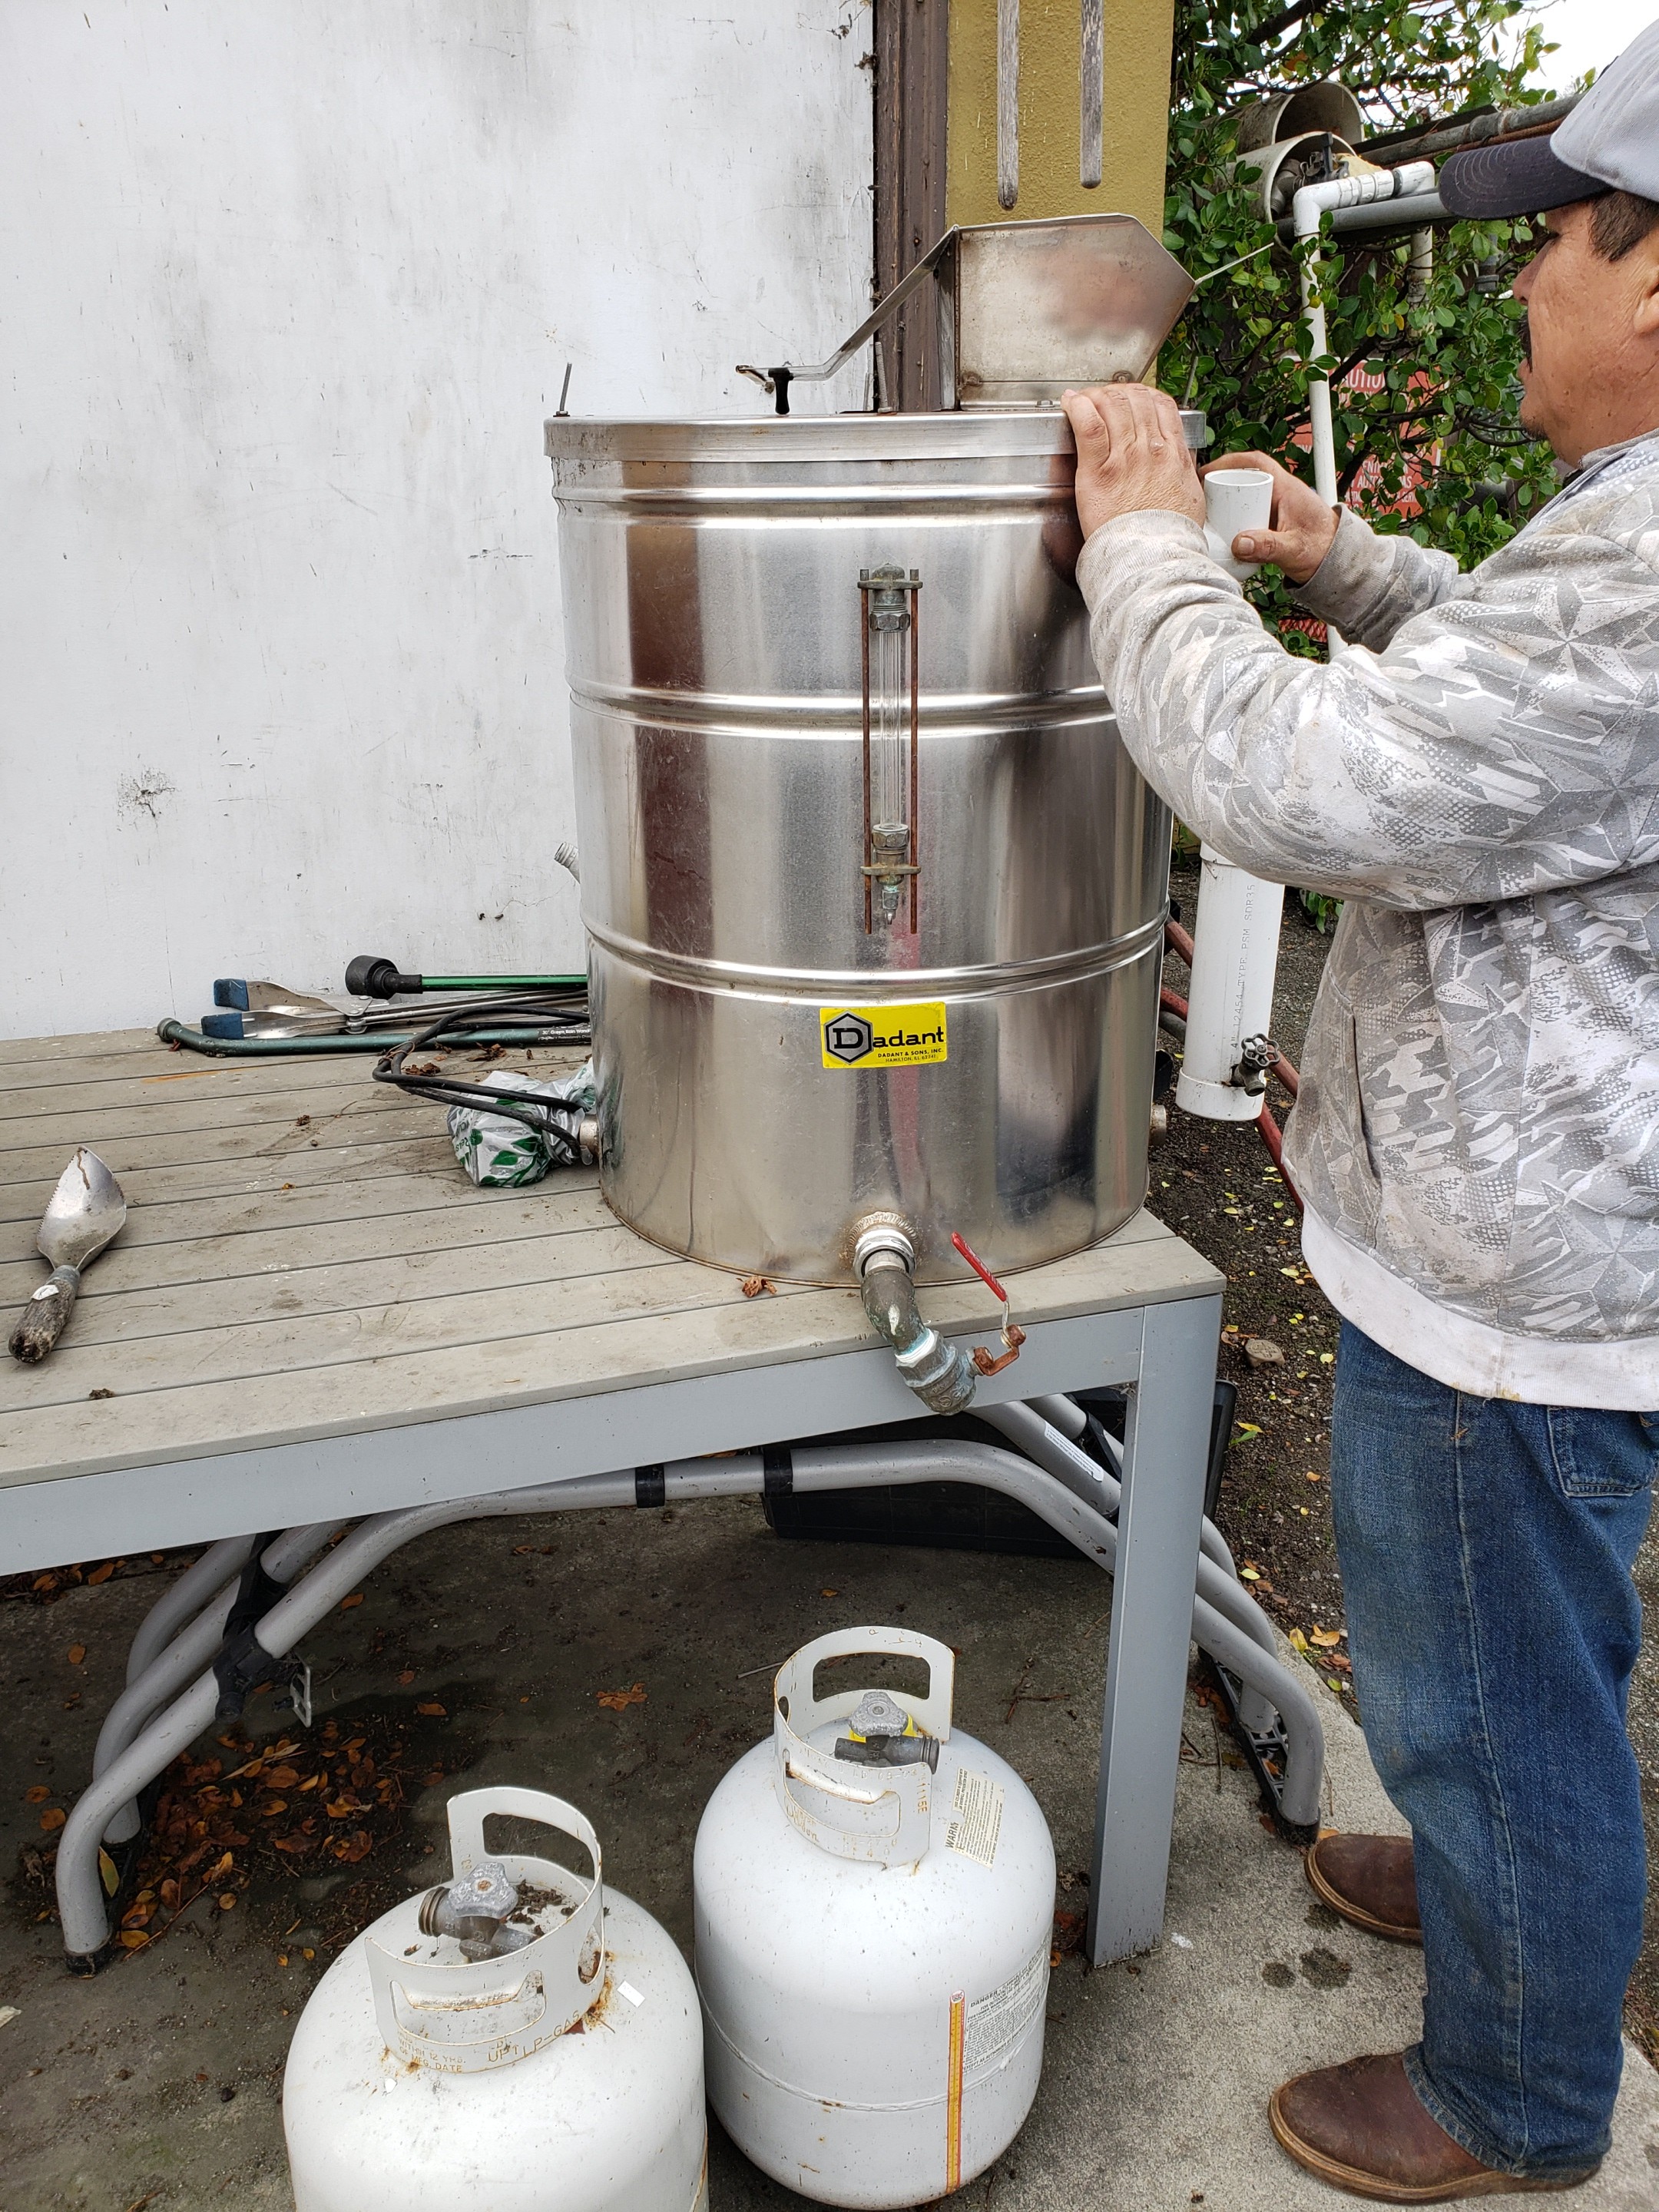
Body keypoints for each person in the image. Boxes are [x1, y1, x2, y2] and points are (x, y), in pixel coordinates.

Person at [1060, 23, 1659, 2202]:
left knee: (1497, 1685)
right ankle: (1516, 1892)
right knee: (1506, 1655)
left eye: (1554, 240)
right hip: (1545, 1238)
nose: (1522, 278)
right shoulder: (1626, 534)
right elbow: (1522, 698)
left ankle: (1518, 2083)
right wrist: (1346, 562)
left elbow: (1294, 786)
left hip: (1524, 1290)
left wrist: (1149, 548)